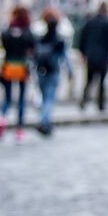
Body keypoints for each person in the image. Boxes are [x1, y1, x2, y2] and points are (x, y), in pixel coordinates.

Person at [0, 6, 36, 142]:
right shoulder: (27, 32)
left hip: (8, 66)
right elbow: (33, 48)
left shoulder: (7, 31)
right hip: (22, 68)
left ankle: (2, 120)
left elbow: (3, 44)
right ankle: (19, 129)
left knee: (7, 97)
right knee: (21, 99)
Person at [34, 7, 70, 136]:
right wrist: (70, 71)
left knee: (44, 98)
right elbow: (65, 57)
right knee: (49, 99)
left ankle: (45, 122)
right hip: (53, 71)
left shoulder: (40, 37)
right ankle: (45, 122)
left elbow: (34, 55)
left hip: (41, 71)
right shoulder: (59, 39)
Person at [77, 2, 108, 113]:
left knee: (89, 81)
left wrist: (83, 53)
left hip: (90, 56)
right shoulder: (107, 23)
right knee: (102, 83)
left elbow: (82, 39)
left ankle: (84, 101)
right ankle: (100, 104)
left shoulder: (90, 22)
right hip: (103, 58)